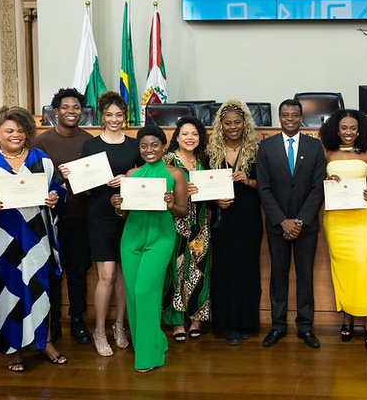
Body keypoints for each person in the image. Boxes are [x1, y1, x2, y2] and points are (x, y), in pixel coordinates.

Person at [0, 106, 67, 372]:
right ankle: (12, 349)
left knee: (40, 290)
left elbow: (58, 189)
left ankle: (45, 342)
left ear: (27, 132)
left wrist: (54, 198)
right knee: (7, 292)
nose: (15, 135)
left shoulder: (41, 159)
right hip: (0, 238)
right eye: (9, 130)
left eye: (20, 130)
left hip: (36, 237)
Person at [110, 125, 188, 372]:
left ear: (164, 146)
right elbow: (123, 213)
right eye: (144, 145)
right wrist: (118, 205)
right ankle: (155, 339)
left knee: (145, 291)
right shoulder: (132, 174)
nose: (149, 150)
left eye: (154, 145)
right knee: (133, 294)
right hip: (131, 238)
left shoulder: (175, 174)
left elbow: (183, 212)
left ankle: (148, 356)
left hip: (161, 238)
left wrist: (171, 204)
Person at [257, 99, 326, 349]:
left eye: (294, 115)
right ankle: (278, 326)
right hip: (277, 226)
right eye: (285, 114)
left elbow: (319, 187)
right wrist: (282, 221)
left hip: (306, 226)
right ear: (279, 117)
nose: (289, 118)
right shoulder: (266, 147)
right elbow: (263, 189)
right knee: (278, 275)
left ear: (301, 117)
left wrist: (299, 221)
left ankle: (305, 327)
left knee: (305, 276)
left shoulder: (315, 146)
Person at [78, 91, 141, 357]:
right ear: (101, 117)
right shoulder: (90, 146)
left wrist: (125, 180)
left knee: (125, 276)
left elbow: (143, 181)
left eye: (119, 115)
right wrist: (96, 181)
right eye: (109, 115)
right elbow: (83, 189)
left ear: (124, 117)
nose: (114, 119)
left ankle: (119, 326)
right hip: (100, 215)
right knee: (106, 276)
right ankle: (100, 331)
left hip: (128, 216)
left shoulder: (133, 145)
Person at [35, 88, 94, 346]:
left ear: (82, 112)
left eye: (76, 107)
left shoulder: (90, 142)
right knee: (53, 273)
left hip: (81, 218)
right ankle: (54, 321)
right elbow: (35, 179)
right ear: (56, 111)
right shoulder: (42, 142)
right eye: (65, 107)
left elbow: (97, 178)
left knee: (78, 271)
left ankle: (78, 320)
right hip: (51, 221)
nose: (71, 111)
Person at [319, 109, 367, 350]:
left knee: (361, 266)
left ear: (360, 130)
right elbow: (316, 184)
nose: (348, 132)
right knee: (341, 269)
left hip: (360, 219)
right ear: (336, 129)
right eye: (344, 128)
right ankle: (346, 318)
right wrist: (326, 182)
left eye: (353, 128)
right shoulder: (327, 154)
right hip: (335, 220)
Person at [208, 101, 263, 346]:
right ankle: (228, 324)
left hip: (248, 219)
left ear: (245, 124)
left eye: (237, 122)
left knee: (247, 271)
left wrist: (248, 181)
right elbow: (202, 186)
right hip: (222, 220)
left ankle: (246, 322)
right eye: (227, 123)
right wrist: (215, 200)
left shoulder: (257, 150)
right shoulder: (211, 151)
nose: (233, 127)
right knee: (224, 271)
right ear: (221, 124)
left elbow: (269, 185)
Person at [161, 116, 211, 342]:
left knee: (200, 270)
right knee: (177, 271)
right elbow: (159, 187)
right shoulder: (167, 160)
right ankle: (177, 322)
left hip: (202, 223)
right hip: (176, 224)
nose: (190, 138)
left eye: (194, 134)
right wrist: (181, 189)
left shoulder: (205, 159)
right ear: (177, 138)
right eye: (185, 134)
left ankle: (197, 319)